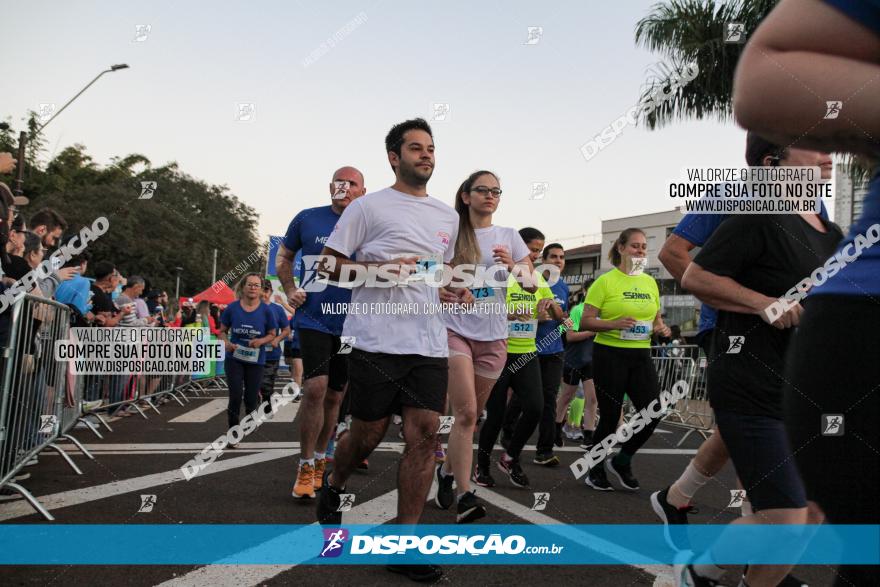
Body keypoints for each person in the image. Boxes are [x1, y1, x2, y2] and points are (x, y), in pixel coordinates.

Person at [729, 1, 880, 585]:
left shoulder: (832, 228)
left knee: (799, 509)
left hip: (798, 367)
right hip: (746, 368)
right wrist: (763, 303)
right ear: (774, 158)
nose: (828, 154)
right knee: (792, 511)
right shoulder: (748, 212)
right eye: (812, 147)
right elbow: (684, 269)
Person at [653, 135, 835, 560]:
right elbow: (673, 253)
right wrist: (747, 302)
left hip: (793, 339)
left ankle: (677, 498)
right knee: (759, 432)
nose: (829, 157)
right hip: (731, 332)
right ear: (772, 160)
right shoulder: (733, 193)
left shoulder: (817, 211)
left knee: (744, 431)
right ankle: (763, 554)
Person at [316, 118, 468, 583]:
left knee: (424, 435)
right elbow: (328, 267)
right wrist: (381, 271)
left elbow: (441, 273)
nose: (426, 155)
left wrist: (450, 289)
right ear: (393, 157)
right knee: (368, 434)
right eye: (416, 148)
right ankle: (334, 480)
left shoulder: (448, 215)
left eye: (431, 148)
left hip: (427, 343)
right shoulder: (367, 208)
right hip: (375, 340)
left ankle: (404, 545)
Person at [433, 170, 532, 523]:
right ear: (466, 196)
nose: (490, 196)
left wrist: (514, 268)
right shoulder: (452, 234)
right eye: (482, 190)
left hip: (494, 336)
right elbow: (437, 276)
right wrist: (447, 288)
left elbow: (532, 284)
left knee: (470, 420)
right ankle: (465, 495)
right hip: (454, 330)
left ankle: (446, 472)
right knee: (467, 414)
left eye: (496, 191)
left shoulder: (510, 237)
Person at [277, 166, 366, 499]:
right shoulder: (307, 218)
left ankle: (318, 458)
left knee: (335, 395)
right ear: (331, 187)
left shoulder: (370, 226)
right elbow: (285, 257)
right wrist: (289, 288)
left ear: (363, 191)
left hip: (351, 324)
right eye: (340, 182)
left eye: (352, 183)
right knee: (315, 387)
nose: (345, 187)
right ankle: (303, 465)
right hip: (313, 318)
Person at [580, 228, 670, 492]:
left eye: (644, 247)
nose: (641, 251)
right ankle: (594, 469)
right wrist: (613, 323)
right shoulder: (605, 282)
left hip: (640, 354)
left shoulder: (649, 282)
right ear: (620, 248)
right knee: (609, 417)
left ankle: (622, 459)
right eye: (635, 246)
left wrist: (661, 328)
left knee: (653, 411)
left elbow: (656, 319)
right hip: (609, 354)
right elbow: (584, 321)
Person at [476, 227, 565, 489]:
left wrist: (549, 307)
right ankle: (481, 468)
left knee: (536, 408)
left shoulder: (537, 279)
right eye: (533, 250)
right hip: (500, 352)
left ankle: (510, 456)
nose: (536, 255)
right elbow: (479, 305)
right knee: (495, 415)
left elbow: (560, 314)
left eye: (539, 250)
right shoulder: (499, 274)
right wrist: (509, 315)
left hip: (527, 353)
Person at [500, 242, 570, 466]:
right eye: (553, 256)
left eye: (561, 257)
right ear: (542, 261)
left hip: (554, 350)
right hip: (528, 348)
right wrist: (535, 317)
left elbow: (563, 316)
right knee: (522, 400)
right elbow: (511, 313)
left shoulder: (562, 286)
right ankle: (508, 434)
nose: (558, 260)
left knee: (549, 398)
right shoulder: (524, 279)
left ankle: (544, 450)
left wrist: (561, 316)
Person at [217, 273, 281, 441]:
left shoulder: (266, 311)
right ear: (243, 287)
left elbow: (272, 334)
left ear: (261, 290)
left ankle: (251, 417)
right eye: (250, 284)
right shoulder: (232, 308)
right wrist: (227, 343)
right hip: (234, 359)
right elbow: (222, 331)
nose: (253, 287)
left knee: (251, 398)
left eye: (256, 285)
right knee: (235, 395)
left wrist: (261, 341)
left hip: (256, 361)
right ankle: (233, 431)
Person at [555, 279, 598, 449]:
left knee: (592, 399)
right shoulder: (577, 310)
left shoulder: (600, 312)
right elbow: (570, 336)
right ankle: (556, 429)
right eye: (592, 290)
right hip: (574, 360)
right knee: (566, 397)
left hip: (591, 361)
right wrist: (592, 331)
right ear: (586, 291)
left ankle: (588, 436)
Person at [258, 279, 290, 410]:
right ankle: (254, 405)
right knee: (252, 383)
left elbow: (286, 330)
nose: (263, 293)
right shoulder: (249, 307)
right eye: (261, 289)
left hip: (271, 354)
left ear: (271, 292)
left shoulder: (277, 309)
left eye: (266, 290)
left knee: (267, 384)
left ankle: (266, 401)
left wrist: (277, 339)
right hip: (253, 353)